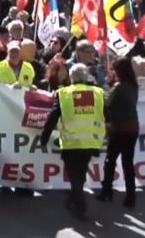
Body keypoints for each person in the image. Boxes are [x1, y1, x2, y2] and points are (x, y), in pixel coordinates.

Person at [40, 64, 106, 220]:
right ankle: (73, 199)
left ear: (71, 77)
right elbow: (108, 114)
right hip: (91, 141)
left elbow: (52, 117)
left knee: (75, 175)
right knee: (80, 173)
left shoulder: (63, 94)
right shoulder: (99, 93)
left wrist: (44, 137)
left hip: (71, 143)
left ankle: (80, 207)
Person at [97, 57, 140, 208]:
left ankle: (106, 191)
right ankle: (131, 196)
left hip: (119, 128)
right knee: (128, 163)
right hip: (132, 127)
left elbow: (108, 103)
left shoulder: (119, 87)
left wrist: (107, 87)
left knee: (110, 161)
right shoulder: (134, 86)